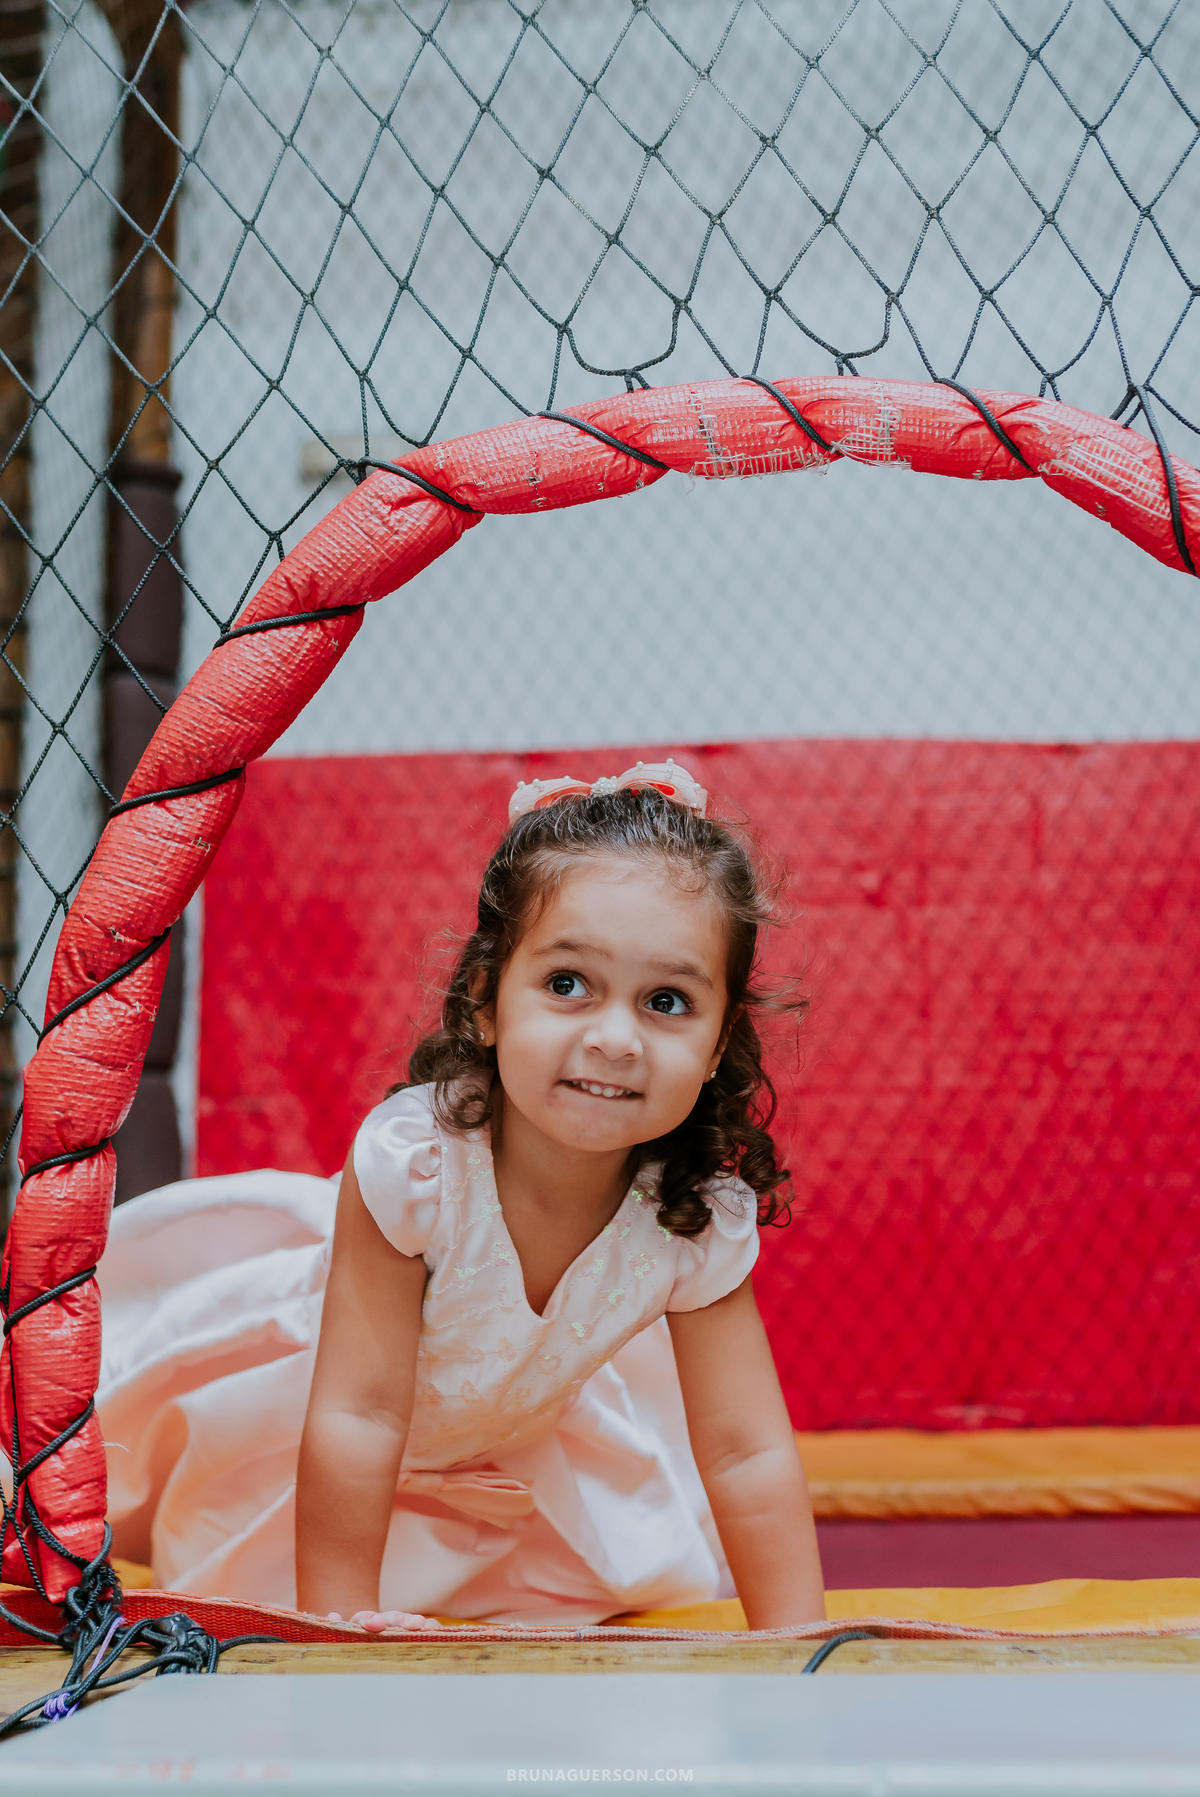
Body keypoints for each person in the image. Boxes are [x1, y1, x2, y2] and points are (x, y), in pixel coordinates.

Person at [98, 761, 825, 1630]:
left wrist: (796, 1643)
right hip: (319, 1426)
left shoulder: (693, 1212)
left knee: (609, 1594)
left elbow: (746, 1450)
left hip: (503, 1439)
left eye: (666, 1000)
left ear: (716, 1047)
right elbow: (359, 1412)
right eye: (567, 984)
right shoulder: (421, 1172)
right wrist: (341, 1622)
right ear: (485, 1002)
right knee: (251, 1600)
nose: (615, 1037)